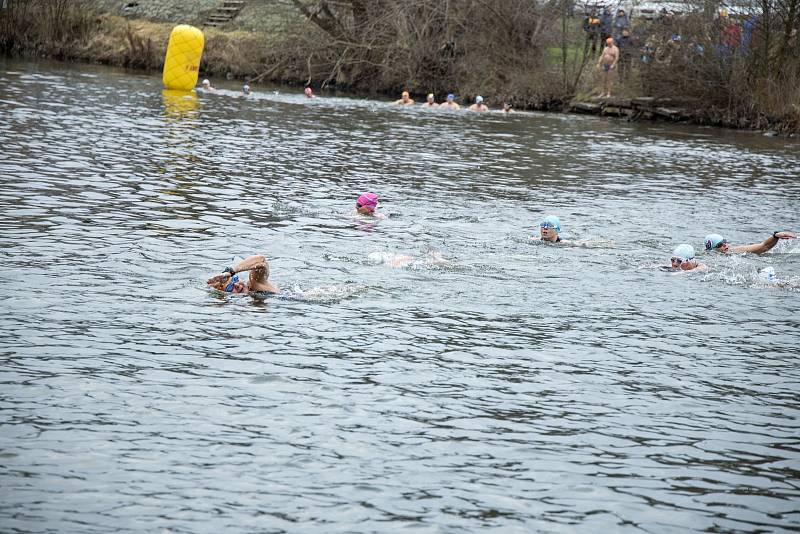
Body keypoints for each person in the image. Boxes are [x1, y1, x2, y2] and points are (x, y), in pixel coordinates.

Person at [206, 255, 279, 294]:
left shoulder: (254, 283)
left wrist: (231, 271)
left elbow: (261, 260)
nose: (236, 285)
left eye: (235, 279)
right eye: (230, 287)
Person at [704, 231, 797, 255]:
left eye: (724, 242)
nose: (725, 245)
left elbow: (764, 246)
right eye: (720, 245)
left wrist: (775, 236)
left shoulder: (734, 250)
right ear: (713, 250)